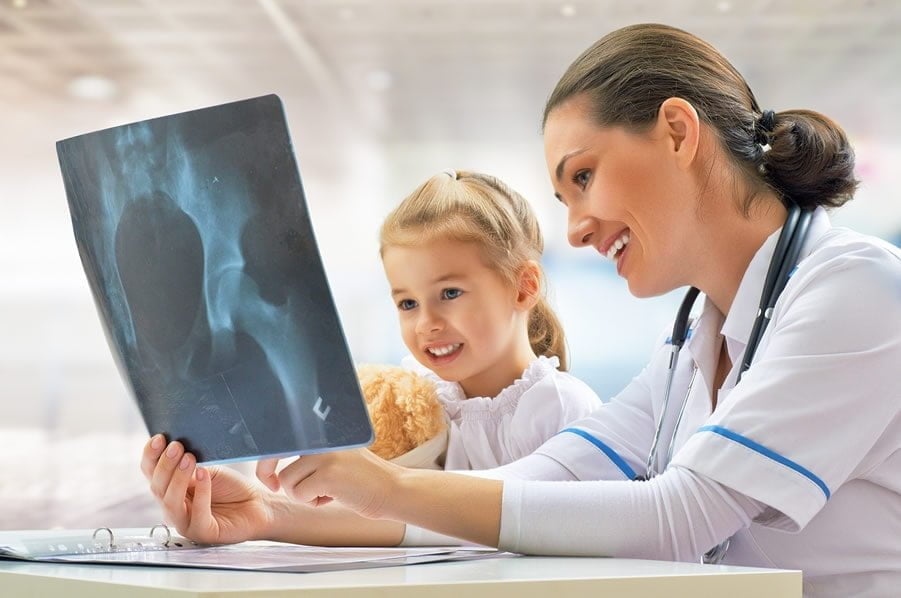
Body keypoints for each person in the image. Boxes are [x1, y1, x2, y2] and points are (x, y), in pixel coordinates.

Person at [141, 24, 900, 596]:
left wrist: (384, 483)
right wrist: (272, 520)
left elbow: (680, 515)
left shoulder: (855, 291)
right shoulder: (694, 339)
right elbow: (532, 487)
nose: (574, 228)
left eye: (584, 177)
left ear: (676, 132)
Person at [266, 169, 601, 474]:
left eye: (450, 293)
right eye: (408, 303)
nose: (426, 324)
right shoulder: (417, 404)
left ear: (524, 287)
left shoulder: (560, 408)